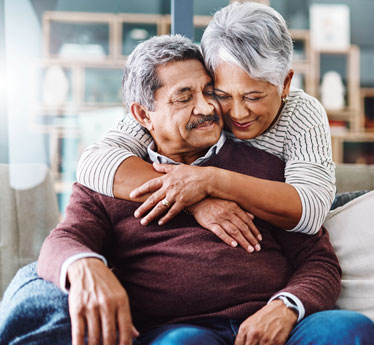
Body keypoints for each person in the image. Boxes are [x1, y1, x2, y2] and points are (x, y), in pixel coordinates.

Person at [32, 35, 374, 345]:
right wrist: (84, 268)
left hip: (279, 329)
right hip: (183, 334)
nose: (207, 107)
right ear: (143, 116)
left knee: (351, 332)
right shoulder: (109, 182)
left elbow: (318, 259)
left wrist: (286, 307)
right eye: (184, 97)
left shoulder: (264, 168)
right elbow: (60, 243)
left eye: (209, 91)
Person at [76, 2, 336, 254]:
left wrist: (211, 180)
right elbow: (94, 163)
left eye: (253, 97)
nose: (237, 113)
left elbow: (311, 211)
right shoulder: (196, 108)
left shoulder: (301, 113)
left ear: (286, 83)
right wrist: (197, 199)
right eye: (221, 94)